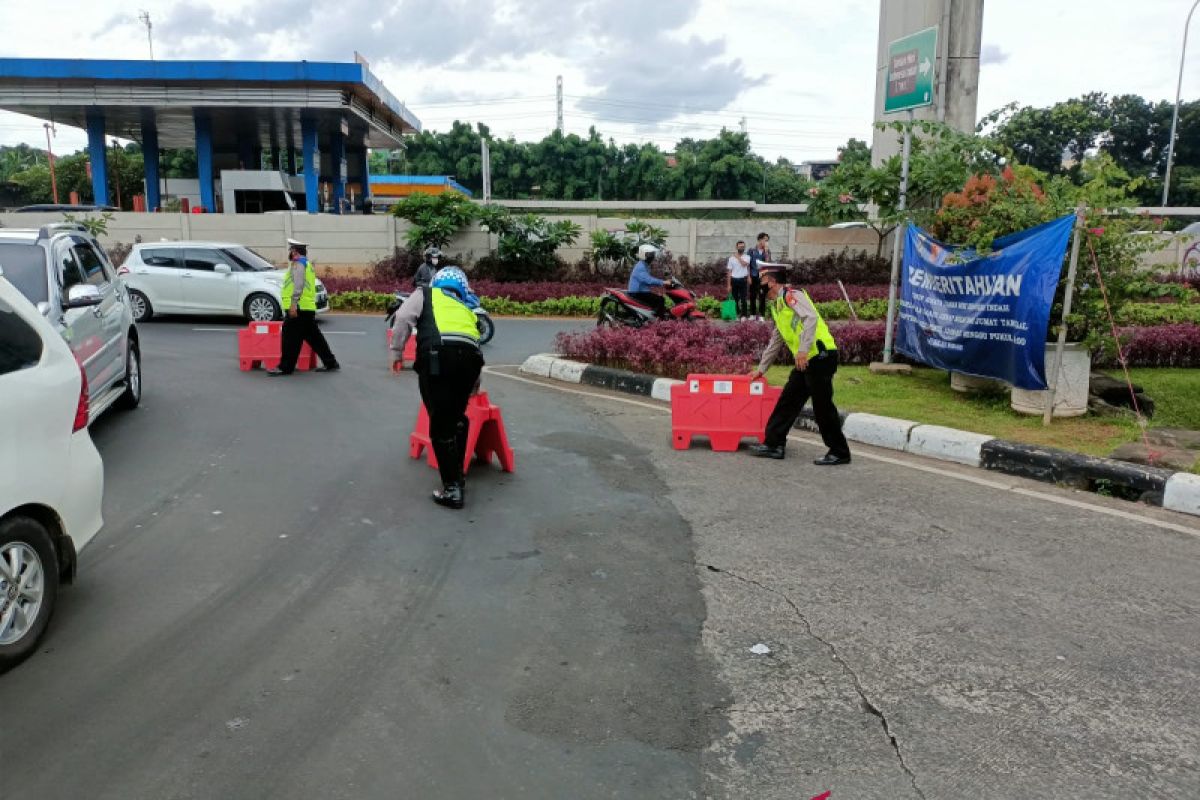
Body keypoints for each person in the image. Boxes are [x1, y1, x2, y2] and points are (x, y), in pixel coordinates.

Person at [389, 266, 485, 509]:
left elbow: (402, 318)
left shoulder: (425, 293)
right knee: (457, 418)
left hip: (438, 358)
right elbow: (475, 347)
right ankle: (458, 476)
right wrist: (474, 383)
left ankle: (452, 489)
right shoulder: (466, 309)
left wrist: (397, 352)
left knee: (441, 426)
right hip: (470, 362)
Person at [748, 265, 851, 466]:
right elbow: (776, 340)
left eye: (761, 280)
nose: (757, 285)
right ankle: (774, 444)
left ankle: (840, 452)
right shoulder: (777, 305)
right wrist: (761, 368)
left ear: (771, 281)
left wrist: (803, 350)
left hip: (820, 355)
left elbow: (810, 317)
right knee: (788, 401)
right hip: (806, 359)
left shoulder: (791, 295)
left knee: (822, 406)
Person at [267, 239, 339, 376]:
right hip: (306, 308)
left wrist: (293, 304)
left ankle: (285, 367)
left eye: (290, 251)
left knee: (289, 338)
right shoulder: (307, 264)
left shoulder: (298, 264)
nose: (289, 253)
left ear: (294, 251)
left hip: (298, 308)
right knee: (315, 337)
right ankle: (330, 362)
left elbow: (298, 285)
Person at [626, 245, 667, 318]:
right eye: (650, 254)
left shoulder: (644, 264)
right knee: (660, 300)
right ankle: (657, 319)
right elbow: (648, 280)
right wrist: (663, 282)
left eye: (652, 254)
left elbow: (648, 280)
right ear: (643, 255)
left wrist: (663, 282)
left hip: (641, 291)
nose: (652, 256)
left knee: (658, 298)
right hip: (637, 293)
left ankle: (651, 315)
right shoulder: (641, 267)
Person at [746, 232, 772, 321]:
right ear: (760, 240)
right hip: (753, 275)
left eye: (767, 240)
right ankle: (752, 314)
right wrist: (748, 276)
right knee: (752, 295)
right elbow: (747, 264)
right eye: (765, 240)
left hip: (763, 277)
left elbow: (768, 263)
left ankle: (762, 315)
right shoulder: (751, 250)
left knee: (762, 296)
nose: (766, 242)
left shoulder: (767, 251)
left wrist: (766, 251)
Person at [726, 240, 751, 320]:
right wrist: (729, 285)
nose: (742, 248)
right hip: (734, 280)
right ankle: (737, 314)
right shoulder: (731, 259)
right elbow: (729, 272)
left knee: (744, 299)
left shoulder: (747, 257)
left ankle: (744, 315)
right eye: (740, 246)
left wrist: (738, 257)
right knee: (735, 299)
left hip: (743, 280)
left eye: (743, 247)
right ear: (736, 247)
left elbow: (744, 265)